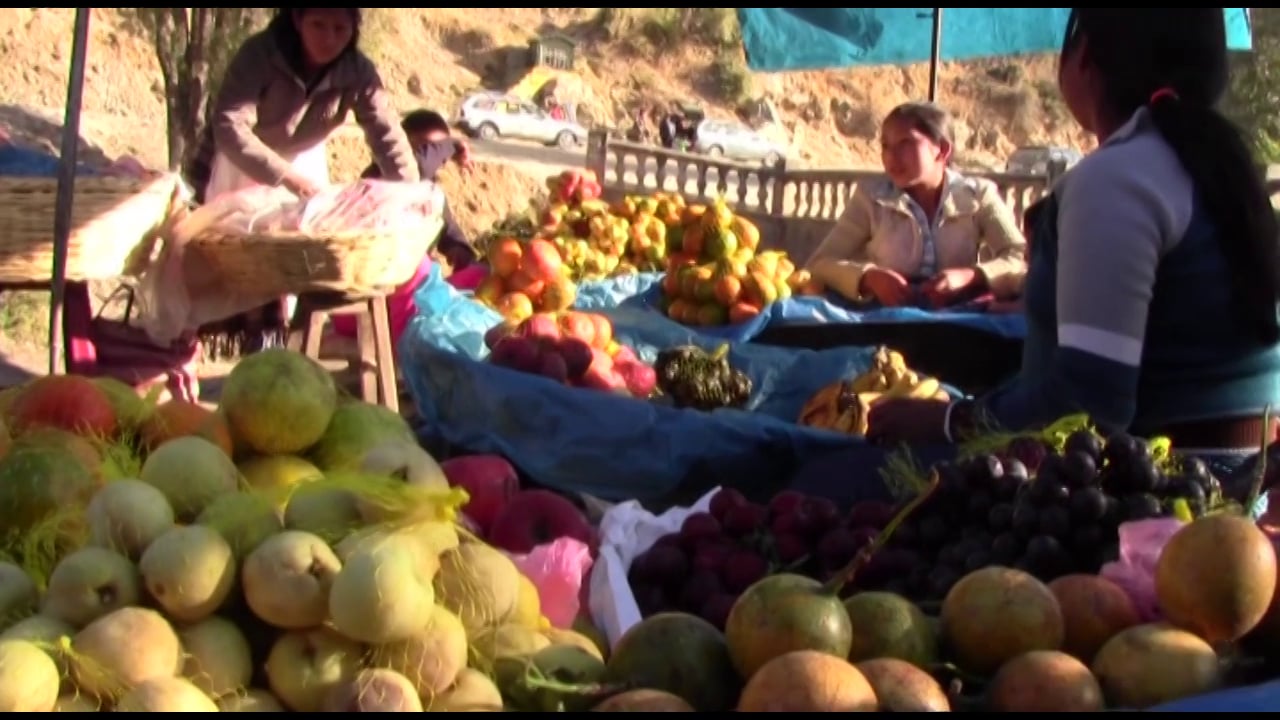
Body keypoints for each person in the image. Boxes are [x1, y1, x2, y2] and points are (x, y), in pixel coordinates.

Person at [868, 9, 1280, 473]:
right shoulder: (1220, 169)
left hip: (1159, 496)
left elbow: (1089, 406)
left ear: (1084, 56)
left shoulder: (1118, 178)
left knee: (834, 473)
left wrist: (948, 420)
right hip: (1243, 477)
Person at [184, 7, 420, 353]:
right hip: (244, 157)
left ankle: (272, 351)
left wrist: (412, 195)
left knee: (292, 264)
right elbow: (229, 125)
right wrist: (285, 177)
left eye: (340, 29)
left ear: (354, 29)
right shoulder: (261, 54)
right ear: (297, 20)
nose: (329, 39)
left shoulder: (357, 72)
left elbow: (387, 138)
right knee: (238, 262)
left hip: (304, 159)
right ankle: (212, 349)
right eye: (318, 25)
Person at [805, 102, 1027, 308]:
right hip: (887, 323)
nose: (892, 157)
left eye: (905, 144)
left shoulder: (978, 195)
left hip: (960, 326)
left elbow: (1019, 257)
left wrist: (970, 276)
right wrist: (868, 278)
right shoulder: (870, 197)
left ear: (941, 150)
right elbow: (820, 263)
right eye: (885, 146)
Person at [361, 109, 478, 271]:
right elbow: (420, 165)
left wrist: (460, 250)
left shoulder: (429, 192)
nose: (436, 158)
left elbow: (446, 227)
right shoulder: (376, 182)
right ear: (401, 147)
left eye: (435, 150)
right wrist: (452, 145)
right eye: (427, 148)